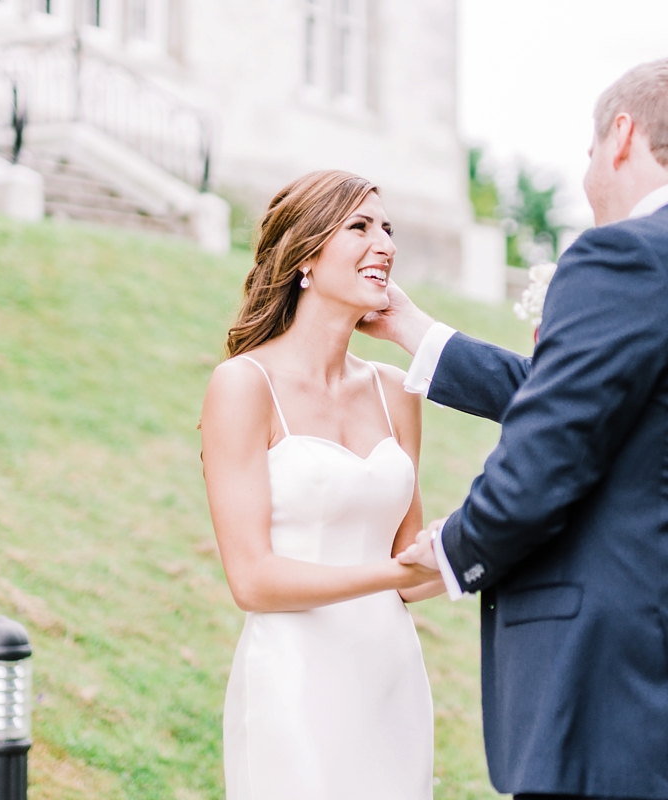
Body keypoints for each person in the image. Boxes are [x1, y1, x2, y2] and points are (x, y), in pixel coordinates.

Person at [361, 57, 668, 800]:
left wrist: (448, 553)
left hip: (617, 706)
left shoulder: (627, 255)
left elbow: (543, 461)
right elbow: (600, 413)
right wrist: (420, 333)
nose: (588, 171)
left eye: (590, 149)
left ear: (623, 136)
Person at [199, 170, 444, 800]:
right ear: (306, 254)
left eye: (388, 228)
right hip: (296, 680)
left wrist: (465, 546)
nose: (384, 243)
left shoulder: (397, 391)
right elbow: (252, 580)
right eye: (359, 227)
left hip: (391, 678)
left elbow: (413, 566)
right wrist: (394, 576)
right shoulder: (244, 384)